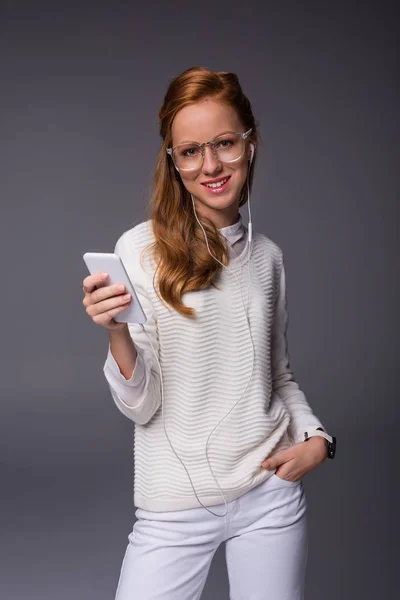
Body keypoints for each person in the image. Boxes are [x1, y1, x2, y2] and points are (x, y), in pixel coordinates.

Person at [81, 66, 336, 600]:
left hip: (269, 496)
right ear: (173, 162)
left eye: (224, 143)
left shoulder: (269, 259)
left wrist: (318, 440)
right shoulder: (140, 251)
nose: (211, 165)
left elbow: (278, 377)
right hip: (174, 506)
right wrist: (116, 335)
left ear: (251, 143)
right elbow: (141, 406)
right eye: (190, 151)